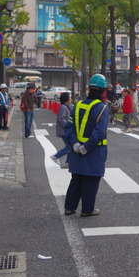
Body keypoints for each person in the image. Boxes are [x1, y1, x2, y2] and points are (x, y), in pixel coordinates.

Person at [64, 74, 109, 217]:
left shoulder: (78, 105)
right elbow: (99, 132)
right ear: (103, 91)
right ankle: (87, 209)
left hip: (76, 150)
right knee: (91, 179)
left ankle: (69, 207)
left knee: (76, 178)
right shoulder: (102, 108)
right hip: (94, 151)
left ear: (89, 89)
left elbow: (68, 127)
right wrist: (87, 146)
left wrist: (75, 143)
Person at [51, 92, 73, 165]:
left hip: (66, 130)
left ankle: (68, 163)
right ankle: (56, 156)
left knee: (70, 146)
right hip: (64, 130)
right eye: (69, 97)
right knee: (70, 147)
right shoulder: (63, 107)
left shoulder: (67, 106)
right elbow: (61, 119)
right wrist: (67, 126)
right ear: (67, 99)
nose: (71, 99)